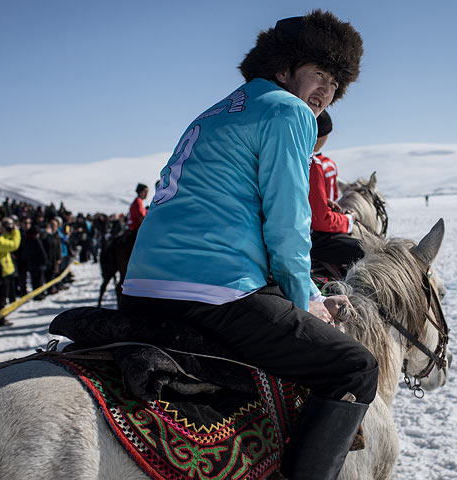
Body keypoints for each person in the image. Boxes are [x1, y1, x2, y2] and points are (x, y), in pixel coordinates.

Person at [121, 10, 377, 479]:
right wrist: (308, 299)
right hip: (214, 289)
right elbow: (287, 222)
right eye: (318, 73)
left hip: (142, 284)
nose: (326, 91)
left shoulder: (217, 110)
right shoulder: (289, 110)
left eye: (336, 82)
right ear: (283, 70)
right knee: (355, 367)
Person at [309, 112, 364, 277]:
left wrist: (321, 201)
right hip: (307, 237)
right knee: (371, 251)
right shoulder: (313, 163)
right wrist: (349, 219)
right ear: (324, 136)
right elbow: (320, 220)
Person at [0, 217, 21, 326]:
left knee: (3, 297)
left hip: (5, 271)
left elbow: (7, 238)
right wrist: (16, 231)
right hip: (1, 273)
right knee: (0, 298)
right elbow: (14, 244)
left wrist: (11, 230)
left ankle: (0, 317)